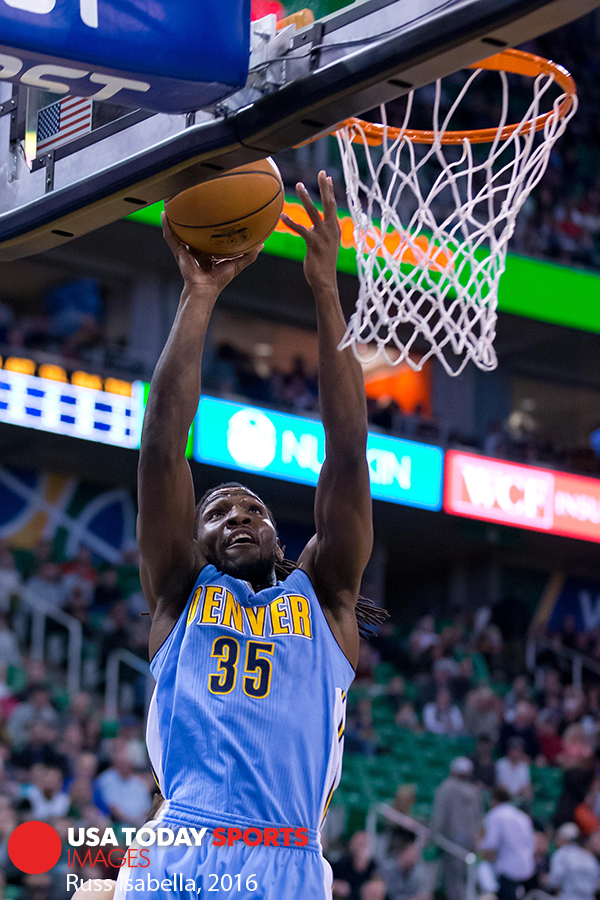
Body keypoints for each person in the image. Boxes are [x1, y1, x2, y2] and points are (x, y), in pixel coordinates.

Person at [118, 172, 383, 899]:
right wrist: (198, 296)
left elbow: (348, 451)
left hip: (288, 858)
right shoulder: (179, 592)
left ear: (279, 535)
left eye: (255, 509)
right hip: (181, 847)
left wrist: (327, 292)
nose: (239, 516)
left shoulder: (327, 600)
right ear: (194, 541)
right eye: (219, 512)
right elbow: (162, 447)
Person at [431, 757, 483, 900]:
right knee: (466, 882)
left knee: (454, 883)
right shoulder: (474, 791)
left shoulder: (446, 787)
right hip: (469, 844)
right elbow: (479, 821)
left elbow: (439, 817)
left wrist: (433, 836)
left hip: (451, 843)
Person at [480, 786, 535, 900]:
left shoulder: (495, 815)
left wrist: (479, 849)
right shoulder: (523, 816)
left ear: (494, 800)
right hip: (528, 868)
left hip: (508, 870)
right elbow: (531, 843)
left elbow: (490, 845)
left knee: (482, 866)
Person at [546, 823, 600, 900]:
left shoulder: (562, 853)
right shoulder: (590, 857)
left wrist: (545, 880)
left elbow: (555, 880)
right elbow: (596, 885)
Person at [332, 831, 377, 899]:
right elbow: (329, 879)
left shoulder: (373, 867)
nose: (362, 848)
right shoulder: (342, 863)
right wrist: (335, 885)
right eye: (360, 844)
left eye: (365, 845)